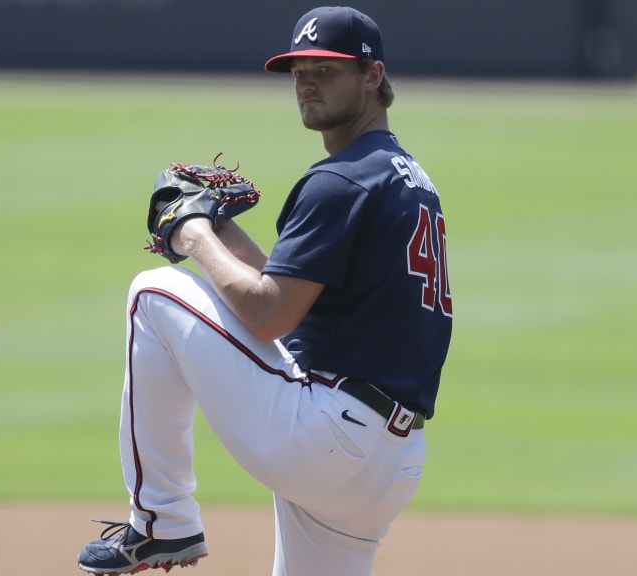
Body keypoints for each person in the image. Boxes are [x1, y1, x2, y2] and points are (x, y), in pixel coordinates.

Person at [76, 6, 452, 575]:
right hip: (390, 461)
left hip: (328, 437)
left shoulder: (339, 179)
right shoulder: (403, 177)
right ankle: (164, 521)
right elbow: (295, 297)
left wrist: (193, 233)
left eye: (327, 70)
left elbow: (270, 315)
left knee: (153, 293)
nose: (307, 83)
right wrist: (221, 227)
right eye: (300, 71)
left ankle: (162, 521)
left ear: (373, 76)